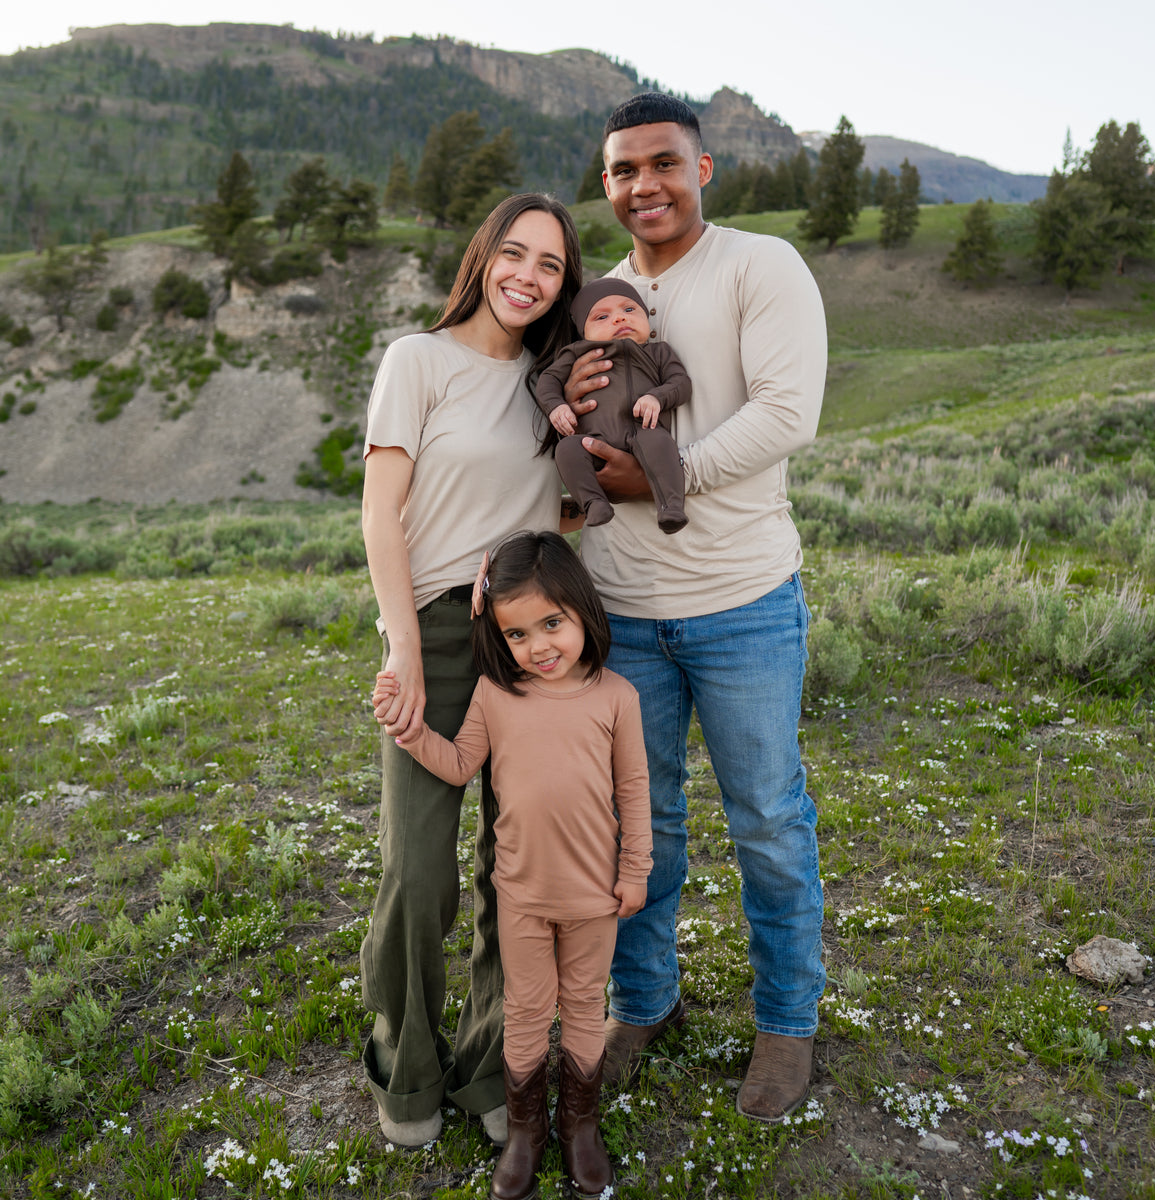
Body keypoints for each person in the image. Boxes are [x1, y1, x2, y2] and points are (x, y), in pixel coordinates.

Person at [562, 93, 828, 1122]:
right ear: (608, 183)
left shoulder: (763, 265)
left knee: (766, 820)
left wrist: (659, 480)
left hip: (743, 602)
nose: (646, 185)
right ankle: (646, 1001)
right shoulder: (598, 296)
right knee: (643, 821)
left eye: (664, 163)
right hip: (621, 611)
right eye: (624, 170)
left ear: (703, 169)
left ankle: (787, 1025)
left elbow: (788, 412)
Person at [359, 193, 583, 1150]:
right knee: (419, 869)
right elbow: (381, 511)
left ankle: (496, 1060)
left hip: (531, 641)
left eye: (552, 267)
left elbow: (570, 511)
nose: (529, 278)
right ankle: (405, 1062)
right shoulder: (420, 360)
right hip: (441, 637)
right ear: (484, 255)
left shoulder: (555, 383)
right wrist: (403, 643)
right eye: (516, 255)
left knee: (517, 873)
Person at [374, 531, 651, 1200]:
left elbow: (635, 791)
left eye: (552, 623)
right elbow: (459, 764)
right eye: (519, 634)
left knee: (584, 1006)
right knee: (527, 1011)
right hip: (520, 897)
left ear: (583, 609)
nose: (540, 646)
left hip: (594, 899)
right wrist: (412, 732)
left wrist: (635, 871)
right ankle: (526, 1132)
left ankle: (578, 1126)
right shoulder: (497, 698)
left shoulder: (616, 697)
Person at [536, 278, 691, 533]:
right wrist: (557, 406)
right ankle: (594, 503)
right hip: (594, 439)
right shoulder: (577, 353)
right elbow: (549, 380)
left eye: (629, 310)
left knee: (661, 446)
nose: (619, 319)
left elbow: (681, 382)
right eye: (601, 317)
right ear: (584, 332)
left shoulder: (658, 352)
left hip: (645, 431)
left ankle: (671, 506)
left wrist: (657, 397)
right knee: (567, 449)